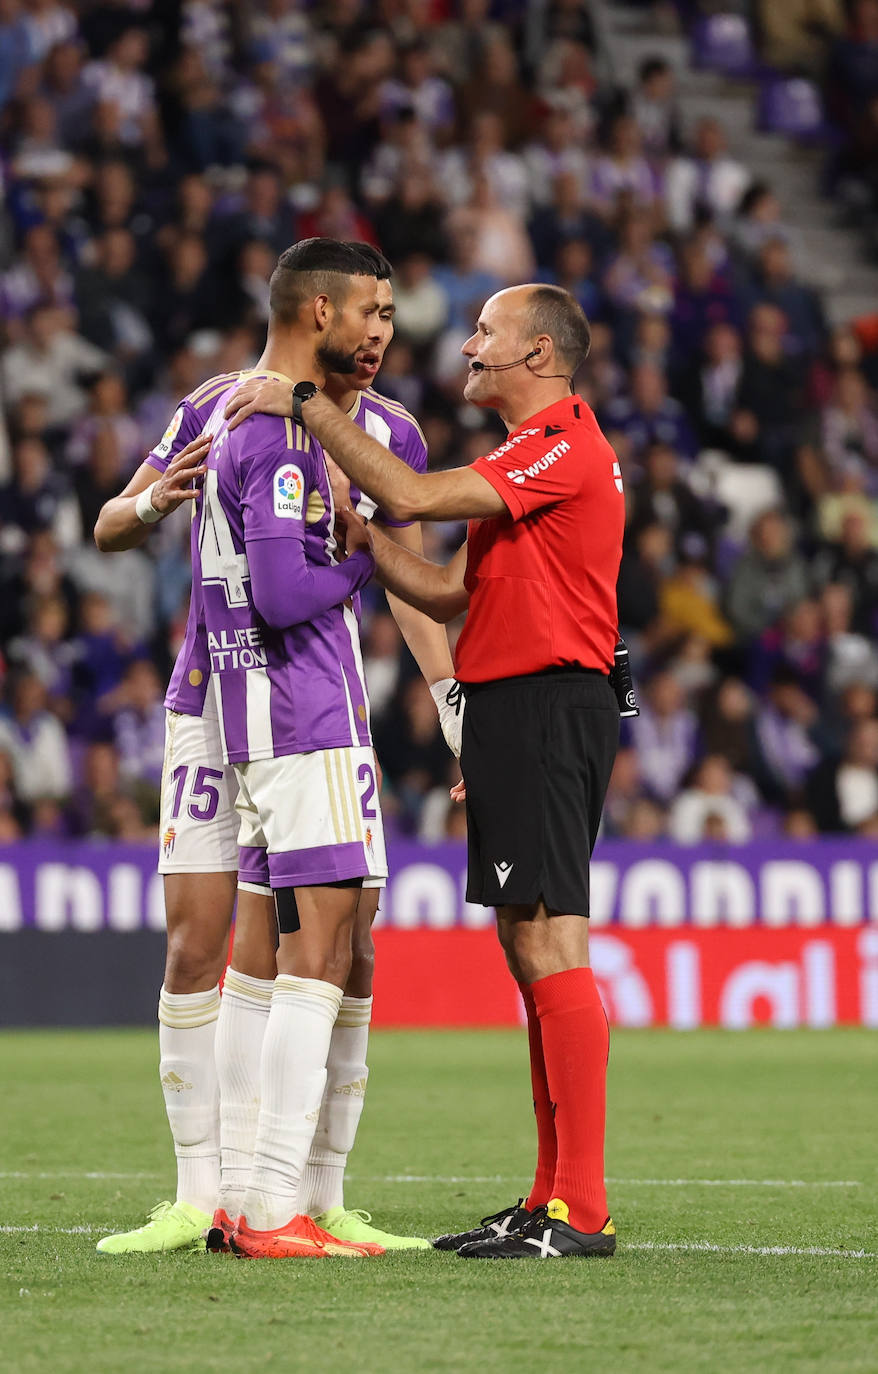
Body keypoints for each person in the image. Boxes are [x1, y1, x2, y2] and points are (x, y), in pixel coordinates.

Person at [227, 281, 624, 1259]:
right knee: (525, 948)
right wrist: (367, 545)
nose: (467, 348)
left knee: (549, 948)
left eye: (484, 333)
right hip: (507, 709)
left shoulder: (562, 443)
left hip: (541, 705)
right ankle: (547, 1196)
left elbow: (409, 492)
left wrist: (307, 406)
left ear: (537, 355)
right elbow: (448, 593)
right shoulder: (518, 465)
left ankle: (579, 1206)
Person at [91, 241, 451, 1255]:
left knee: (348, 938)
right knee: (199, 938)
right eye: (370, 311)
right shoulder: (212, 406)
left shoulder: (390, 433)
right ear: (318, 309)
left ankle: (309, 1189)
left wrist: (453, 710)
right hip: (216, 699)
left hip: (306, 696)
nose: (383, 331)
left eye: (389, 315)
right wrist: (152, 503)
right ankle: (202, 1194)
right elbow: (109, 519)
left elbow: (406, 583)